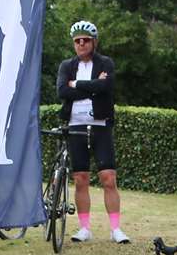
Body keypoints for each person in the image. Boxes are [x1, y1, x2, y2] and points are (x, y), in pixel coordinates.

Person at [55, 20, 129, 243]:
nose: (81, 44)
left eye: (85, 40)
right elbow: (61, 91)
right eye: (77, 41)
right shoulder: (66, 66)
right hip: (75, 124)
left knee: (108, 177)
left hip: (100, 125)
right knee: (80, 178)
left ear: (94, 42)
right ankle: (84, 228)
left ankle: (115, 229)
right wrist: (91, 87)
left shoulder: (106, 62)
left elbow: (105, 87)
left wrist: (76, 84)